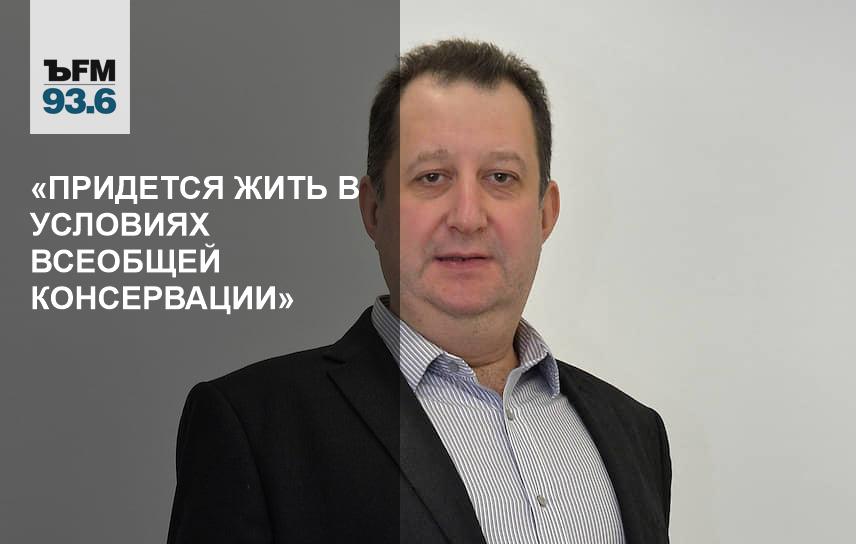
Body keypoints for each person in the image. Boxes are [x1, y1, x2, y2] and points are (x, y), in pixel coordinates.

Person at [168, 39, 671, 544]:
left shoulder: (636, 434)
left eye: (501, 177)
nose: (468, 217)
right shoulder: (255, 427)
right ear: (373, 211)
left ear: (545, 213)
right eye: (432, 177)